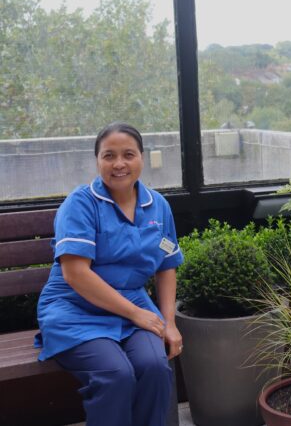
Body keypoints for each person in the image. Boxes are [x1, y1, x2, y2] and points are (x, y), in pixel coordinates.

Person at [35, 122, 184, 426]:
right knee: (116, 374)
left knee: (154, 367)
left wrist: (168, 323)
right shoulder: (80, 204)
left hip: (132, 306)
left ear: (141, 158)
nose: (119, 164)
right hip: (75, 308)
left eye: (128, 154)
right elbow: (75, 274)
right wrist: (137, 314)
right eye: (109, 156)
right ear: (97, 161)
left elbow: (167, 266)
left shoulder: (158, 206)